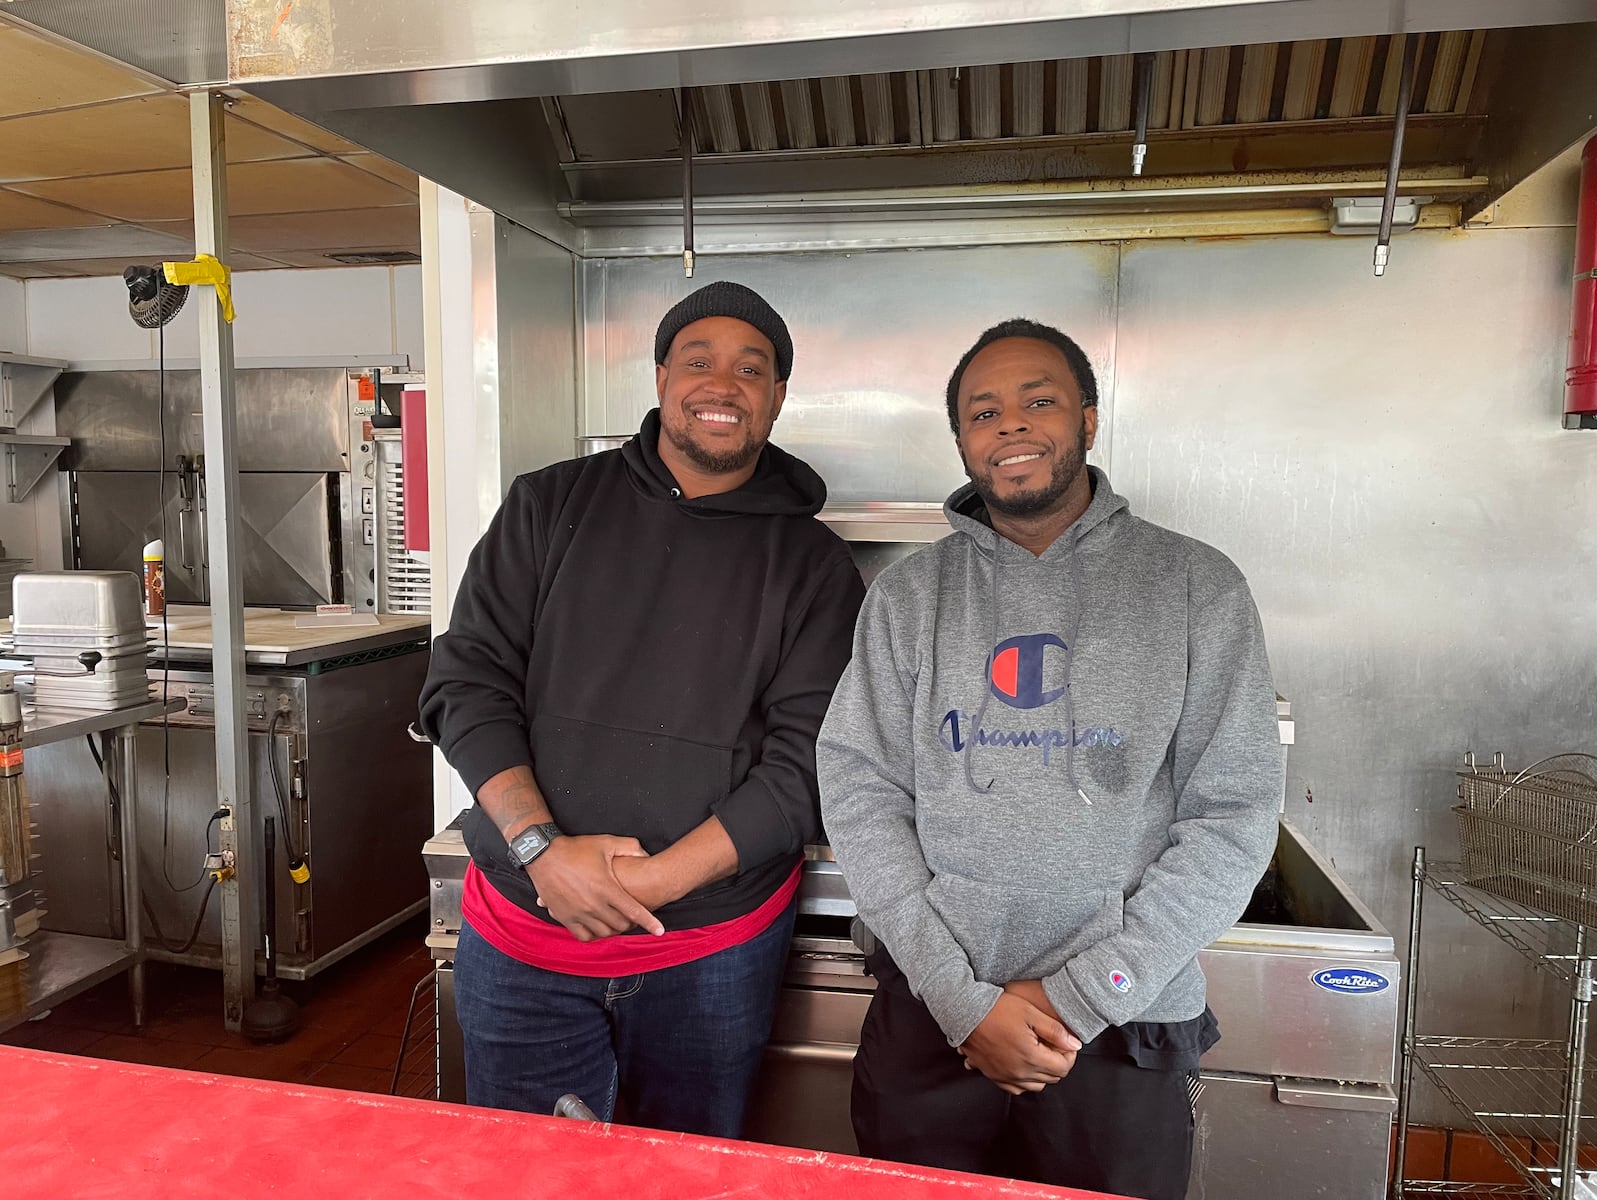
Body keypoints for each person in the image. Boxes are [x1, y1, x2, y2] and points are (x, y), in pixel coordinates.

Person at [816, 318, 1282, 1200]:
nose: (1012, 427)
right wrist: (963, 1002)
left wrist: (1074, 998)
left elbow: (1234, 815)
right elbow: (860, 791)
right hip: (933, 1017)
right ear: (961, 441)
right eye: (984, 412)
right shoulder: (909, 597)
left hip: (1122, 1022)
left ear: (1090, 421)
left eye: (1040, 401)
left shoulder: (1195, 587)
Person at [419, 281, 865, 1139]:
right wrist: (544, 854)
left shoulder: (814, 566)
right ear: (661, 378)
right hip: (523, 937)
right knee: (527, 1179)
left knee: (687, 1177)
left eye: (751, 368)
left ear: (776, 398)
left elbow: (805, 762)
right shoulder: (547, 506)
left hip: (709, 955)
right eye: (698, 360)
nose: (722, 384)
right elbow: (467, 682)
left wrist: (647, 886)